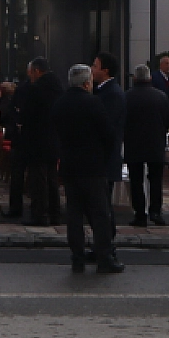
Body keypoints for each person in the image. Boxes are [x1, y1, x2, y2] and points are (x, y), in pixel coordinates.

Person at [53, 64, 123, 274]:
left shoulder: (60, 104)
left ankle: (77, 257)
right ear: (86, 83)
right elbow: (108, 134)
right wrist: (103, 157)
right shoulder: (93, 103)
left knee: (74, 215)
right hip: (92, 166)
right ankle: (104, 257)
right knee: (100, 214)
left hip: (69, 166)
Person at [123, 64, 169, 227]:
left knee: (136, 180)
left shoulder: (127, 97)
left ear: (134, 79)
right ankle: (156, 212)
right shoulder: (161, 96)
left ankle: (139, 214)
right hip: (155, 143)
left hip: (133, 144)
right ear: (150, 78)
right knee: (156, 179)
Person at [17, 59, 63, 226]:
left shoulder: (35, 89)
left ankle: (39, 215)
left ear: (36, 71)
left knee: (38, 180)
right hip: (53, 139)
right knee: (52, 179)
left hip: (36, 140)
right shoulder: (57, 86)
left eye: (30, 73)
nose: (30, 77)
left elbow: (27, 114)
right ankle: (55, 213)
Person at [90, 52, 126, 238]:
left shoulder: (111, 94)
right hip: (102, 158)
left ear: (105, 70)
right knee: (100, 205)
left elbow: (107, 128)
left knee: (102, 206)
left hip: (105, 159)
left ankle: (105, 245)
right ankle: (102, 244)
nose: (92, 69)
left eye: (95, 66)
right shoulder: (103, 91)